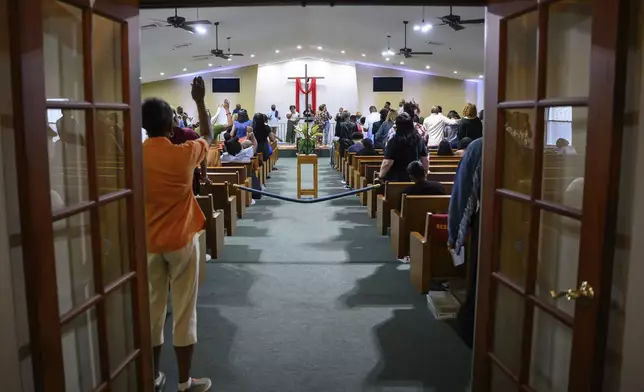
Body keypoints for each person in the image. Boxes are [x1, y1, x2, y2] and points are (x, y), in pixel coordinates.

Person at [142, 76, 213, 392]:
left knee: (153, 312)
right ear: (171, 124)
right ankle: (185, 384)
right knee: (185, 312)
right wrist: (199, 101)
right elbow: (208, 135)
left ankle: (153, 377)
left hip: (147, 242)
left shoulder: (134, 154)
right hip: (182, 241)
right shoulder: (183, 153)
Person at [448, 137, 483, 349]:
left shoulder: (479, 147)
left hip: (487, 223)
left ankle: (473, 330)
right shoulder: (533, 145)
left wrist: (454, 236)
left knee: (480, 281)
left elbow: (463, 193)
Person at [377, 113, 429, 182]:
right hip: (414, 178)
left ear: (397, 126)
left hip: (396, 179)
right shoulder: (418, 139)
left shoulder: (393, 141)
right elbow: (425, 160)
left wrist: (380, 176)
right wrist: (424, 174)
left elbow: (387, 163)